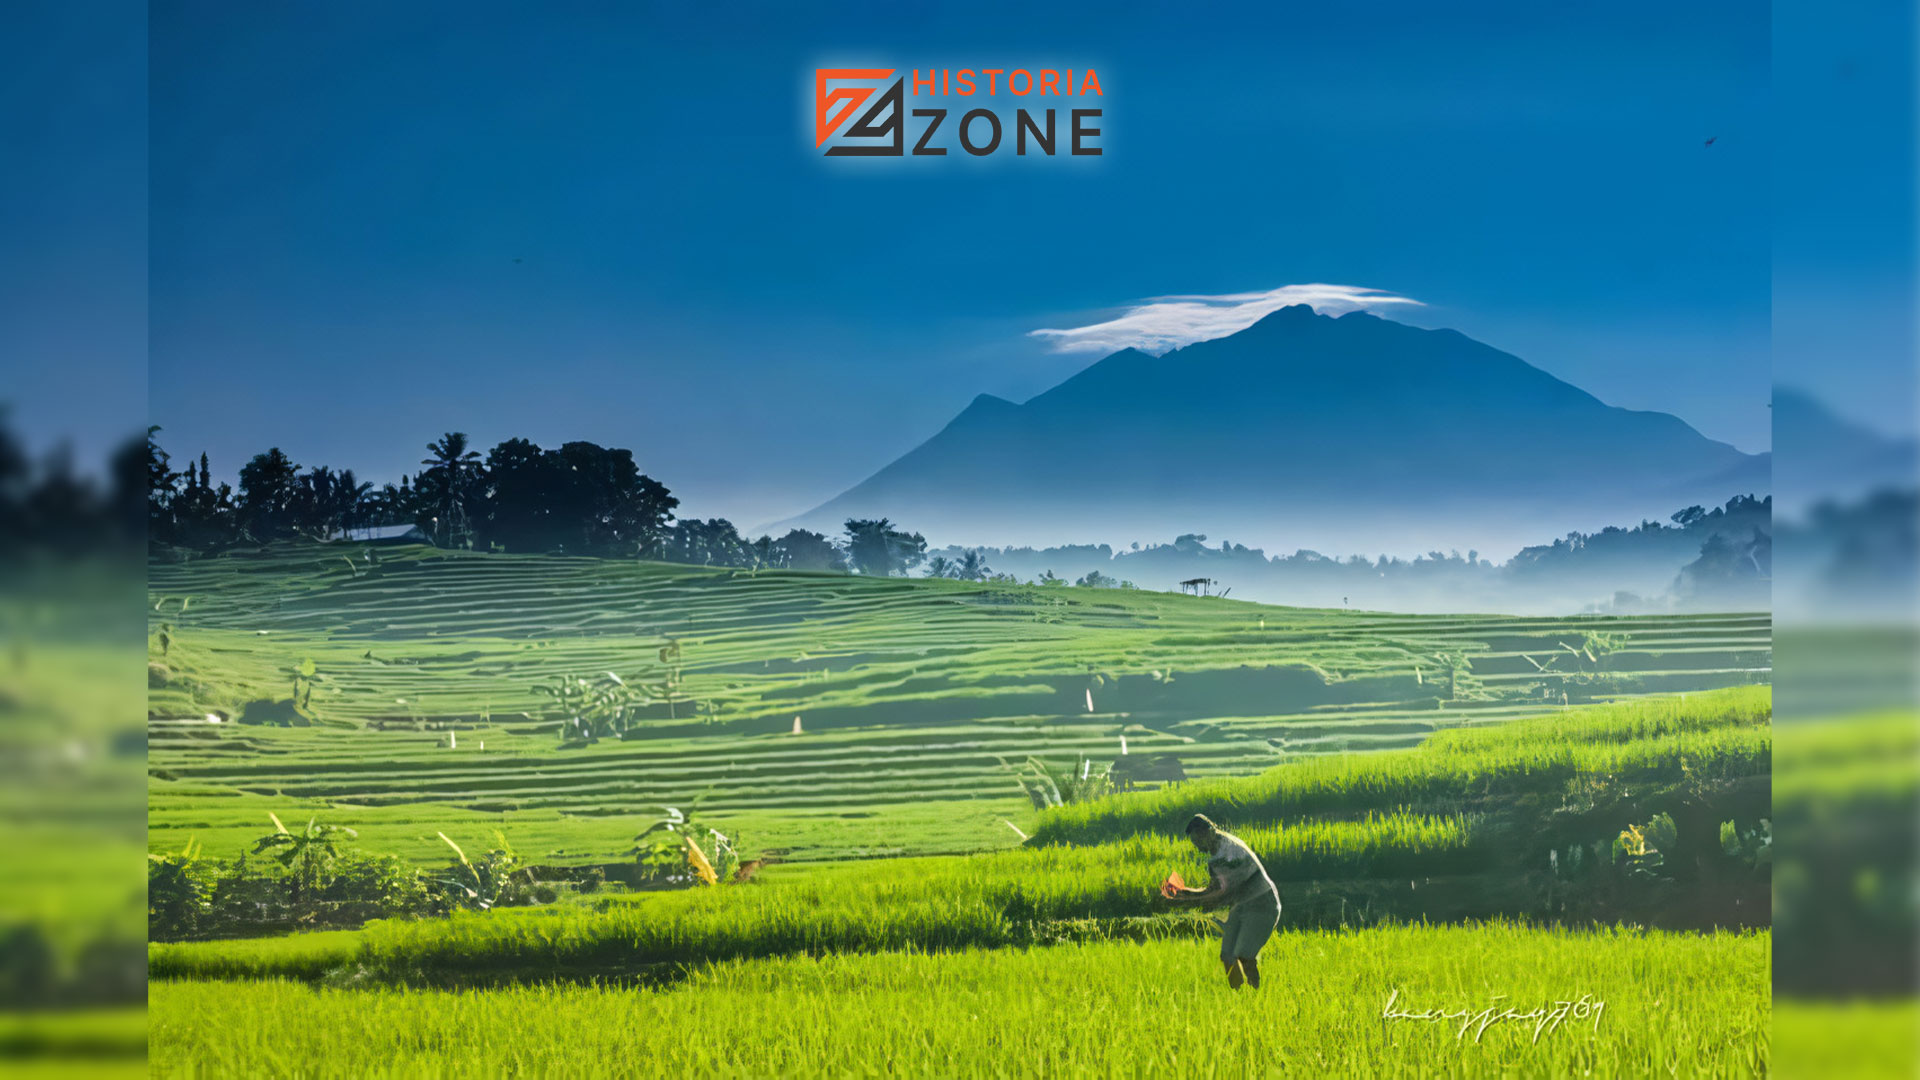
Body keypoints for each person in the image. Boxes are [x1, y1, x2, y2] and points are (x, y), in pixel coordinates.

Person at [1164, 813, 1281, 989]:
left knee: (1245, 955)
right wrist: (1185, 893)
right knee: (1227, 955)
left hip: (1261, 904)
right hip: (1242, 905)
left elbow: (1221, 895)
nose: (1197, 847)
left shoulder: (1229, 851)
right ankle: (1239, 997)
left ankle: (1256, 995)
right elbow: (1213, 889)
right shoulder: (1214, 857)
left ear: (1209, 832)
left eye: (1198, 841)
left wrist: (1188, 897)